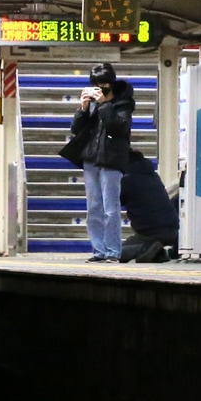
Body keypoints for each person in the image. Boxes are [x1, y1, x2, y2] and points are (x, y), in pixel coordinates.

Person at [71, 62, 135, 262]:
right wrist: (83, 108)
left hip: (111, 161)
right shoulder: (91, 105)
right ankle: (98, 250)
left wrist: (103, 105)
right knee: (94, 208)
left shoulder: (123, 104)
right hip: (91, 160)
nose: (100, 88)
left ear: (111, 84)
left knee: (110, 208)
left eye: (103, 84)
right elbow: (76, 129)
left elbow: (118, 128)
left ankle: (113, 251)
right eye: (96, 84)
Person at [119, 150, 179, 263]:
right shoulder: (153, 175)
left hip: (149, 232)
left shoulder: (127, 180)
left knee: (116, 252)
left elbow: (113, 203)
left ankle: (145, 249)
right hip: (173, 229)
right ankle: (159, 253)